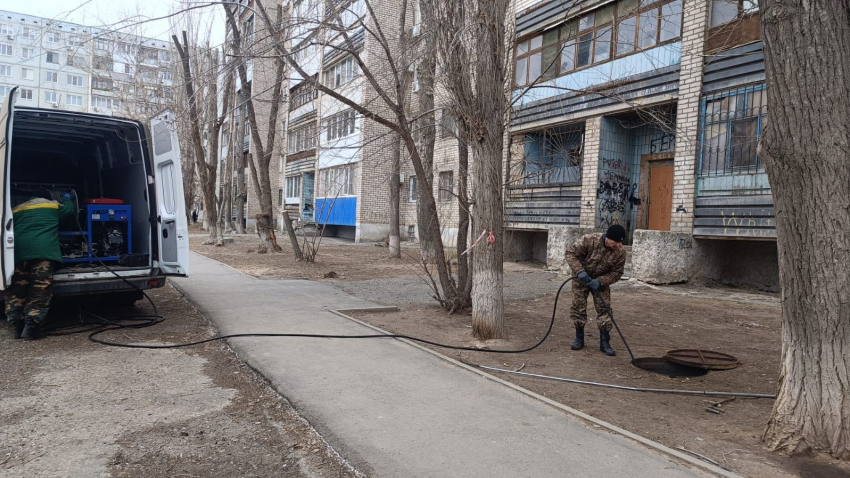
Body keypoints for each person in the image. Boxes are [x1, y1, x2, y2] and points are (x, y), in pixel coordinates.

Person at [6, 190, 75, 340]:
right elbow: (69, 210)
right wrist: (67, 198)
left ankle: (17, 326)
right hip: (43, 253)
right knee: (40, 289)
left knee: (17, 289)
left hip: (18, 253)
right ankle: (31, 326)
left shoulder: (16, 209)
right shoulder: (52, 206)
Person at [564, 224, 627, 356]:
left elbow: (617, 273)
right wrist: (580, 271)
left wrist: (600, 281)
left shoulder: (620, 252)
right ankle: (579, 338)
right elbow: (570, 253)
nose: (619, 245)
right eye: (616, 242)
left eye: (621, 242)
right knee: (578, 307)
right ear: (608, 239)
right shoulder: (589, 240)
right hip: (581, 279)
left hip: (600, 283)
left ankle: (605, 342)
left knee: (605, 310)